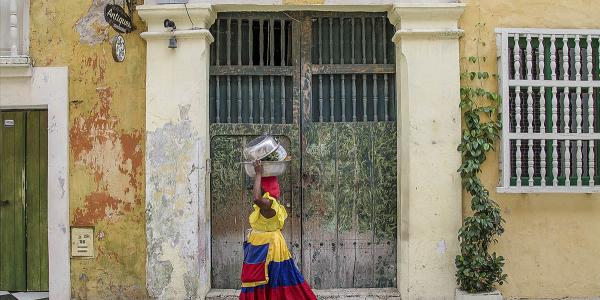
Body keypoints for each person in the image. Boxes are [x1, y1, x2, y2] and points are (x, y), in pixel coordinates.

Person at [239, 160, 316, 300]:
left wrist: (258, 173)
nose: (254, 187)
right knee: (260, 278)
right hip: (261, 246)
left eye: (259, 184)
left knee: (266, 278)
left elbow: (256, 198)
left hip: (267, 250)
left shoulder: (269, 204)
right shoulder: (268, 204)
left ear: (265, 189)